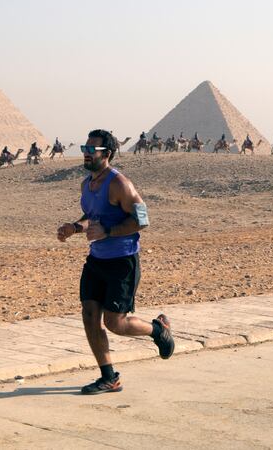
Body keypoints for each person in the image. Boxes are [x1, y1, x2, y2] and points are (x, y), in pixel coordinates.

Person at [57, 129, 174, 395]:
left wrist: (108, 232)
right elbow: (92, 215)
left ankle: (157, 329)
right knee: (89, 316)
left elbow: (142, 220)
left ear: (106, 154)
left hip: (122, 261)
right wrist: (75, 228)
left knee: (115, 323)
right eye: (84, 149)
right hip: (96, 259)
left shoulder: (121, 184)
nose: (85, 155)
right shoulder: (86, 184)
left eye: (91, 150)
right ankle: (109, 377)